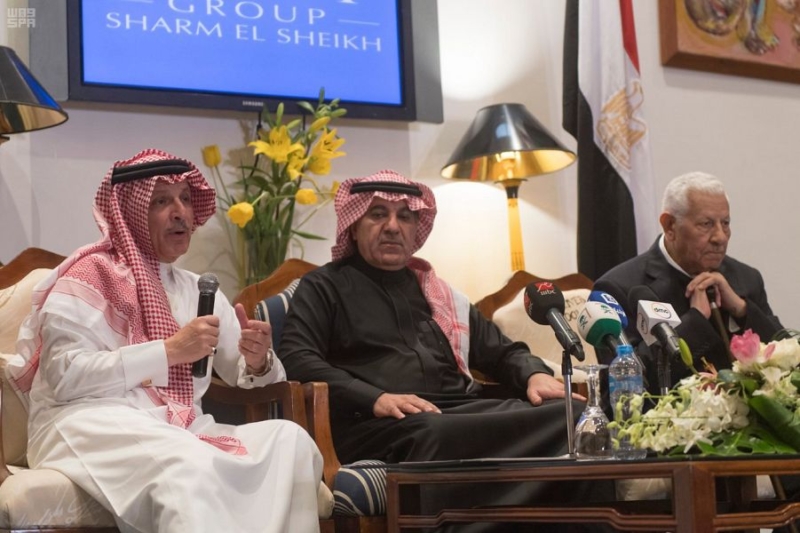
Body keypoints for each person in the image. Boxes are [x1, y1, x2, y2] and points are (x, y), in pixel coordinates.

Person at [7, 149, 323, 533]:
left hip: (178, 427)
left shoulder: (199, 290)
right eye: (161, 201)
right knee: (189, 466)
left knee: (292, 441)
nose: (181, 213)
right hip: (86, 422)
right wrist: (169, 351)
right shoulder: (87, 275)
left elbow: (247, 375)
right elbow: (66, 376)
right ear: (130, 211)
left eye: (185, 199)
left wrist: (259, 361)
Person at [278, 169, 613, 532]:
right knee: (434, 432)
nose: (392, 227)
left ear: (416, 229)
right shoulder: (323, 287)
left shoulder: (438, 293)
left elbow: (501, 351)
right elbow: (297, 358)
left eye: (405, 216)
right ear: (354, 225)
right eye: (378, 214)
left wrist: (532, 374)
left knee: (573, 417)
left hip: (457, 410)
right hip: (378, 423)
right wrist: (375, 398)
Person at [594, 171, 783, 393]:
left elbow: (787, 357)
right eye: (706, 224)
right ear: (670, 226)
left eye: (725, 223)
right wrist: (694, 321)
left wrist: (742, 311)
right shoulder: (617, 288)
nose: (720, 237)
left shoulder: (746, 278)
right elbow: (627, 384)